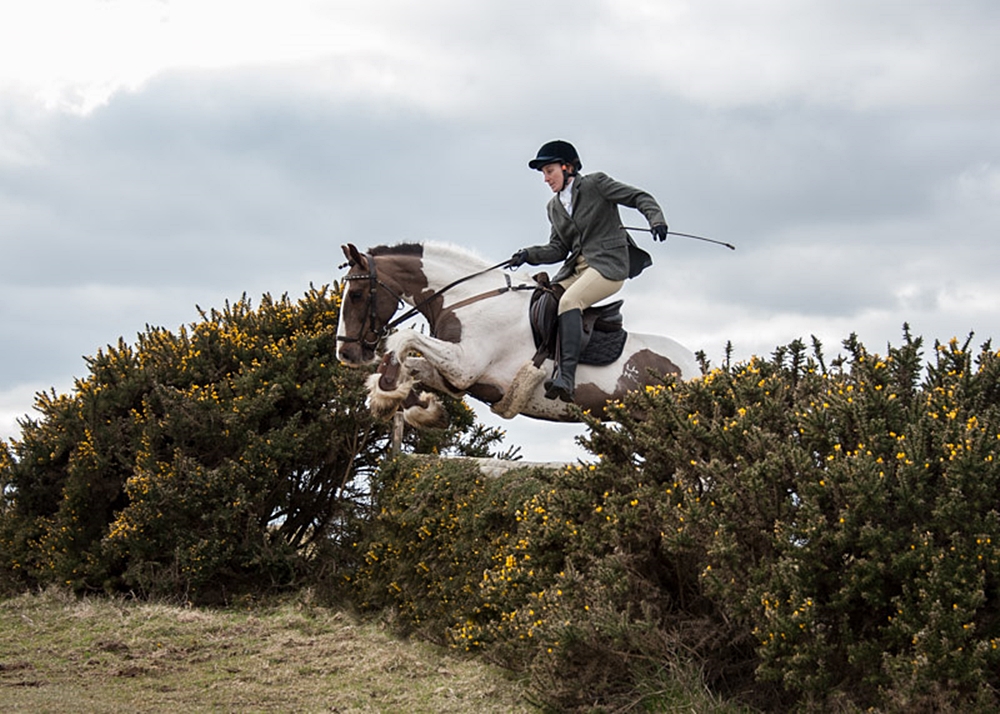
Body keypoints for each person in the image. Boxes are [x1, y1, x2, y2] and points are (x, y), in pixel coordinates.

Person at [509, 140, 668, 402]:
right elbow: (558, 249)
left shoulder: (596, 184)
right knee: (544, 299)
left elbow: (638, 197)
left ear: (567, 167)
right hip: (577, 270)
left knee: (570, 301)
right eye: (544, 174)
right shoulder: (554, 208)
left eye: (549, 171)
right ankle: (546, 358)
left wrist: (656, 219)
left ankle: (566, 378)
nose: (546, 179)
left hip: (608, 265)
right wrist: (528, 254)